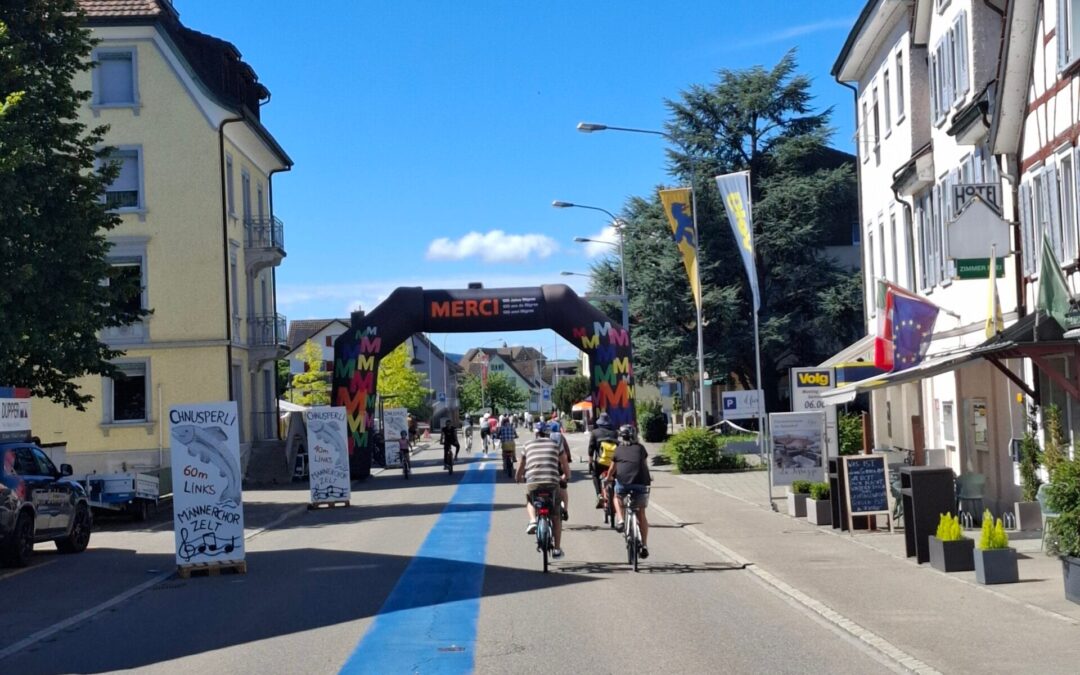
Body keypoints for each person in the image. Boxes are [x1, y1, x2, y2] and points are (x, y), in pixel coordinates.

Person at [516, 423, 569, 559]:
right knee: (556, 516)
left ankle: (533, 520)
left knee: (530, 500)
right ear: (548, 433)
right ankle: (557, 549)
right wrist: (566, 476)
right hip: (552, 482)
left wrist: (518, 477)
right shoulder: (555, 445)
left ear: (535, 433)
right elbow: (564, 462)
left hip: (533, 482)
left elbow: (521, 464)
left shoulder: (527, 445)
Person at [605, 424, 652, 559]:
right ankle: (644, 545)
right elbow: (644, 465)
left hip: (623, 483)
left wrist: (608, 479)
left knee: (617, 496)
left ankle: (620, 519)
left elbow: (612, 469)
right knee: (641, 513)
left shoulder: (618, 450)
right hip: (641, 483)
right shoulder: (641, 448)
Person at [588, 412, 618, 509]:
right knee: (615, 476)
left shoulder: (595, 433)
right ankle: (614, 493)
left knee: (595, 475)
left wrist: (590, 463)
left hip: (600, 462)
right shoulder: (614, 433)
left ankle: (599, 495)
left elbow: (591, 449)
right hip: (612, 462)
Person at [548, 421, 572, 521]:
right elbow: (566, 451)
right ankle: (565, 510)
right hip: (560, 464)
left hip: (548, 465)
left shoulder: (546, 437)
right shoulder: (561, 437)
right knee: (563, 487)